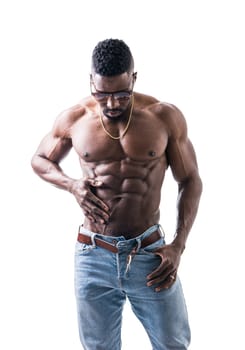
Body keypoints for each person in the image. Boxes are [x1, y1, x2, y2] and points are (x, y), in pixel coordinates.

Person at [31, 38, 202, 350]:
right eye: (102, 94)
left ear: (134, 78)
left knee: (172, 343)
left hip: (150, 254)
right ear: (91, 82)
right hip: (92, 254)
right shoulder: (75, 119)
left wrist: (178, 245)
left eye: (121, 95)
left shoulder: (163, 117)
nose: (111, 104)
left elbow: (190, 180)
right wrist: (72, 185)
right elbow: (40, 159)